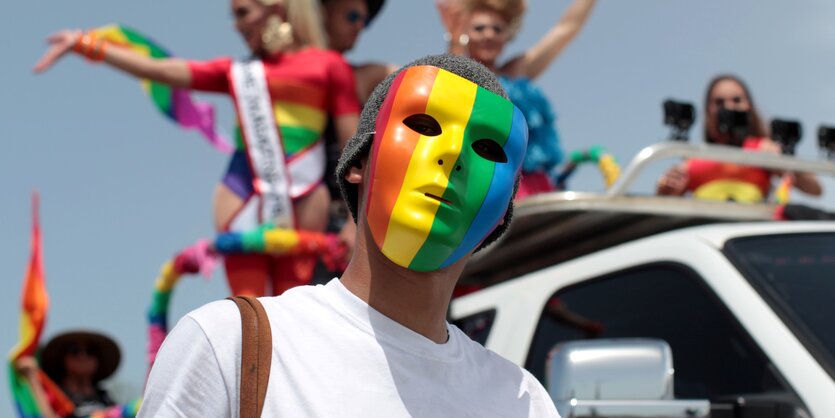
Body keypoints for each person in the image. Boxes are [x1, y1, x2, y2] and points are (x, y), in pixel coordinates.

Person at [138, 54, 560, 417]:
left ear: (502, 211)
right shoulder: (229, 344)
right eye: (425, 125)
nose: (451, 155)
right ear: (358, 162)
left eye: (487, 149)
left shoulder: (522, 401)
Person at [34, 0, 361, 296]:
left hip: (304, 197)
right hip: (240, 193)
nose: (237, 25)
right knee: (247, 311)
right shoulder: (236, 72)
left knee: (293, 311)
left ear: (275, 8)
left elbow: (353, 147)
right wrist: (85, 44)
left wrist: (353, 221)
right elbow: (159, 70)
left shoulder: (330, 66)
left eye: (243, 13)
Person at [438, 0, 597, 198]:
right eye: (479, 28)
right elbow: (453, 93)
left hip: (532, 188)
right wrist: (454, 42)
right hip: (482, 190)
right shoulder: (453, 75)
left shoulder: (516, 71)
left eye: (497, 29)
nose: (489, 34)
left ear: (507, 36)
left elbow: (566, 29)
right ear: (464, 33)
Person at [657, 75, 822, 202]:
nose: (729, 107)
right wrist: (668, 189)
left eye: (736, 100)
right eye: (720, 102)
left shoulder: (763, 149)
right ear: (709, 110)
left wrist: (783, 159)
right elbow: (665, 203)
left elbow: (815, 189)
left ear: (748, 106)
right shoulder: (694, 157)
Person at [15, 331, 121, 418]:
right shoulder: (53, 395)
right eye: (74, 350)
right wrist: (32, 378)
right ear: (62, 358)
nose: (82, 356)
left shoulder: (107, 398)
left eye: (90, 351)